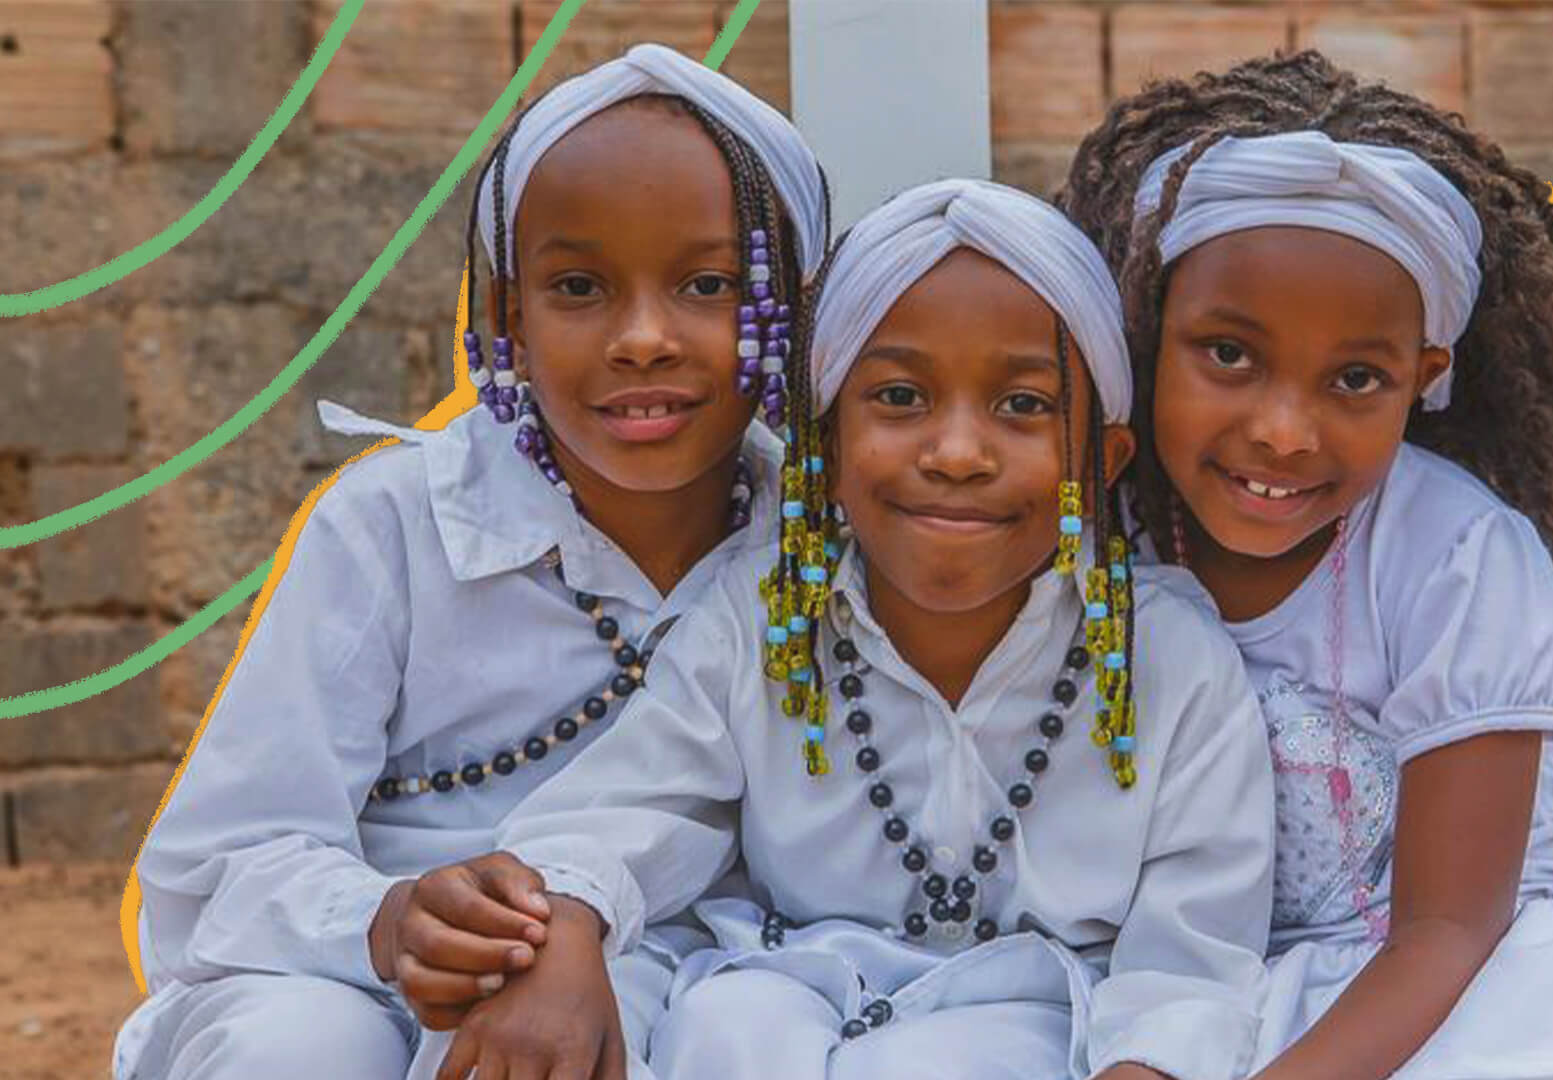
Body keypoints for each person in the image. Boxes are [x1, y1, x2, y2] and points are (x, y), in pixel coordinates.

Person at [1058, 49, 1553, 1080]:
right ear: (1149, 330)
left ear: (1424, 380)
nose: (1285, 431)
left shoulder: (1457, 560)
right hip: (1213, 976)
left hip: (1491, 976)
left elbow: (1449, 932)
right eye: (1229, 355)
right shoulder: (1098, 533)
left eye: (1355, 378)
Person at [416, 178, 1275, 1080]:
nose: (955, 453)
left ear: (1101, 461)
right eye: (900, 398)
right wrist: (564, 925)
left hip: (1042, 1028)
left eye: (1022, 406)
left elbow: (1195, 954)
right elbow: (633, 807)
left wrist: (1146, 1063)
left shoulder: (1171, 661)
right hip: (775, 996)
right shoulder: (761, 616)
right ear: (818, 444)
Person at [113, 42, 828, 1080]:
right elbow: (217, 867)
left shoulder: (816, 555)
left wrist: (573, 941)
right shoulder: (393, 527)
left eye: (708, 284)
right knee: (298, 1049)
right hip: (354, 973)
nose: (642, 338)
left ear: (793, 312)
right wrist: (395, 922)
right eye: (579, 286)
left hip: (677, 973)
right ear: (506, 318)